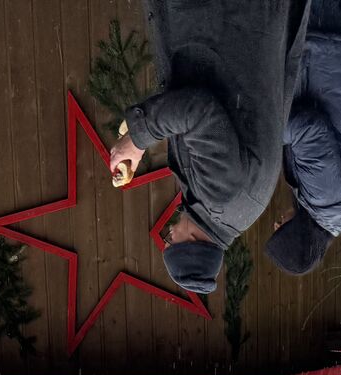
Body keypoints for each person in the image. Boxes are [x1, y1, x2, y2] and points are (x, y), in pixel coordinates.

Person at [108, 0, 311, 295]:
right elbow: (197, 112)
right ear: (190, 243)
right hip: (226, 20)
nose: (169, 231)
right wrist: (138, 139)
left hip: (238, 27)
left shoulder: (229, 210)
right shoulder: (222, 197)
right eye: (170, 239)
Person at [261, 0, 341, 276]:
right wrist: (267, 136)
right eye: (279, 230)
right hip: (333, 56)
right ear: (297, 235)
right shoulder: (325, 197)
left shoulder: (340, 207)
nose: (276, 223)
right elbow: (308, 127)